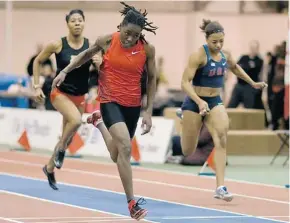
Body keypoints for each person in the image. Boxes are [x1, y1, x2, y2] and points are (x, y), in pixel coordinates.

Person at [51, 2, 158, 220]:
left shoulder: (147, 49)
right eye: (127, 33)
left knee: (117, 153)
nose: (130, 38)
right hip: (110, 101)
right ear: (120, 27)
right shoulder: (107, 40)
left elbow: (152, 78)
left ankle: (98, 123)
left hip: (133, 105)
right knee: (126, 148)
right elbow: (85, 55)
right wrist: (65, 70)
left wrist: (148, 111)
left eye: (135, 35)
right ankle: (132, 204)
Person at [179, 19, 267, 202]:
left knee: (222, 137)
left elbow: (235, 68)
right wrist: (199, 101)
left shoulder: (225, 54)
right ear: (207, 39)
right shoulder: (198, 56)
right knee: (188, 150)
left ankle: (220, 187)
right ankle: (184, 120)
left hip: (215, 101)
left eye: (221, 41)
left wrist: (253, 83)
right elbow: (184, 83)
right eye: (214, 42)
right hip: (194, 102)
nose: (218, 45)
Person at [33, 9, 101, 190]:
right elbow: (37, 61)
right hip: (59, 93)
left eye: (80, 20)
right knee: (76, 121)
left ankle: (48, 168)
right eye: (73, 20)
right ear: (68, 24)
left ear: (84, 23)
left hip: (79, 96)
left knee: (68, 137)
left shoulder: (92, 46)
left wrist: (99, 63)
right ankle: (60, 150)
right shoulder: (57, 45)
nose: (77, 23)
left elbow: (104, 73)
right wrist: (37, 86)